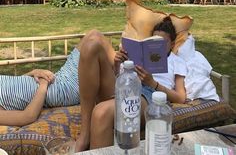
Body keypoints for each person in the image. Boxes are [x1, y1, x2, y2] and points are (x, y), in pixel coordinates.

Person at [76, 17, 187, 151]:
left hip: (147, 95)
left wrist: (152, 83)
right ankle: (85, 133)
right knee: (92, 42)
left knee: (102, 112)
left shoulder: (176, 61)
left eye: (162, 43)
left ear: (173, 43)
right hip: (125, 85)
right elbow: (120, 78)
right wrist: (117, 65)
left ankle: (84, 141)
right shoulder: (142, 57)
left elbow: (181, 98)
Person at [0, 47, 80, 125]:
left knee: (86, 42)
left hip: (58, 78)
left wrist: (33, 72)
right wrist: (43, 84)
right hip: (64, 90)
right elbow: (27, 117)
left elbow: (13, 85)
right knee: (89, 41)